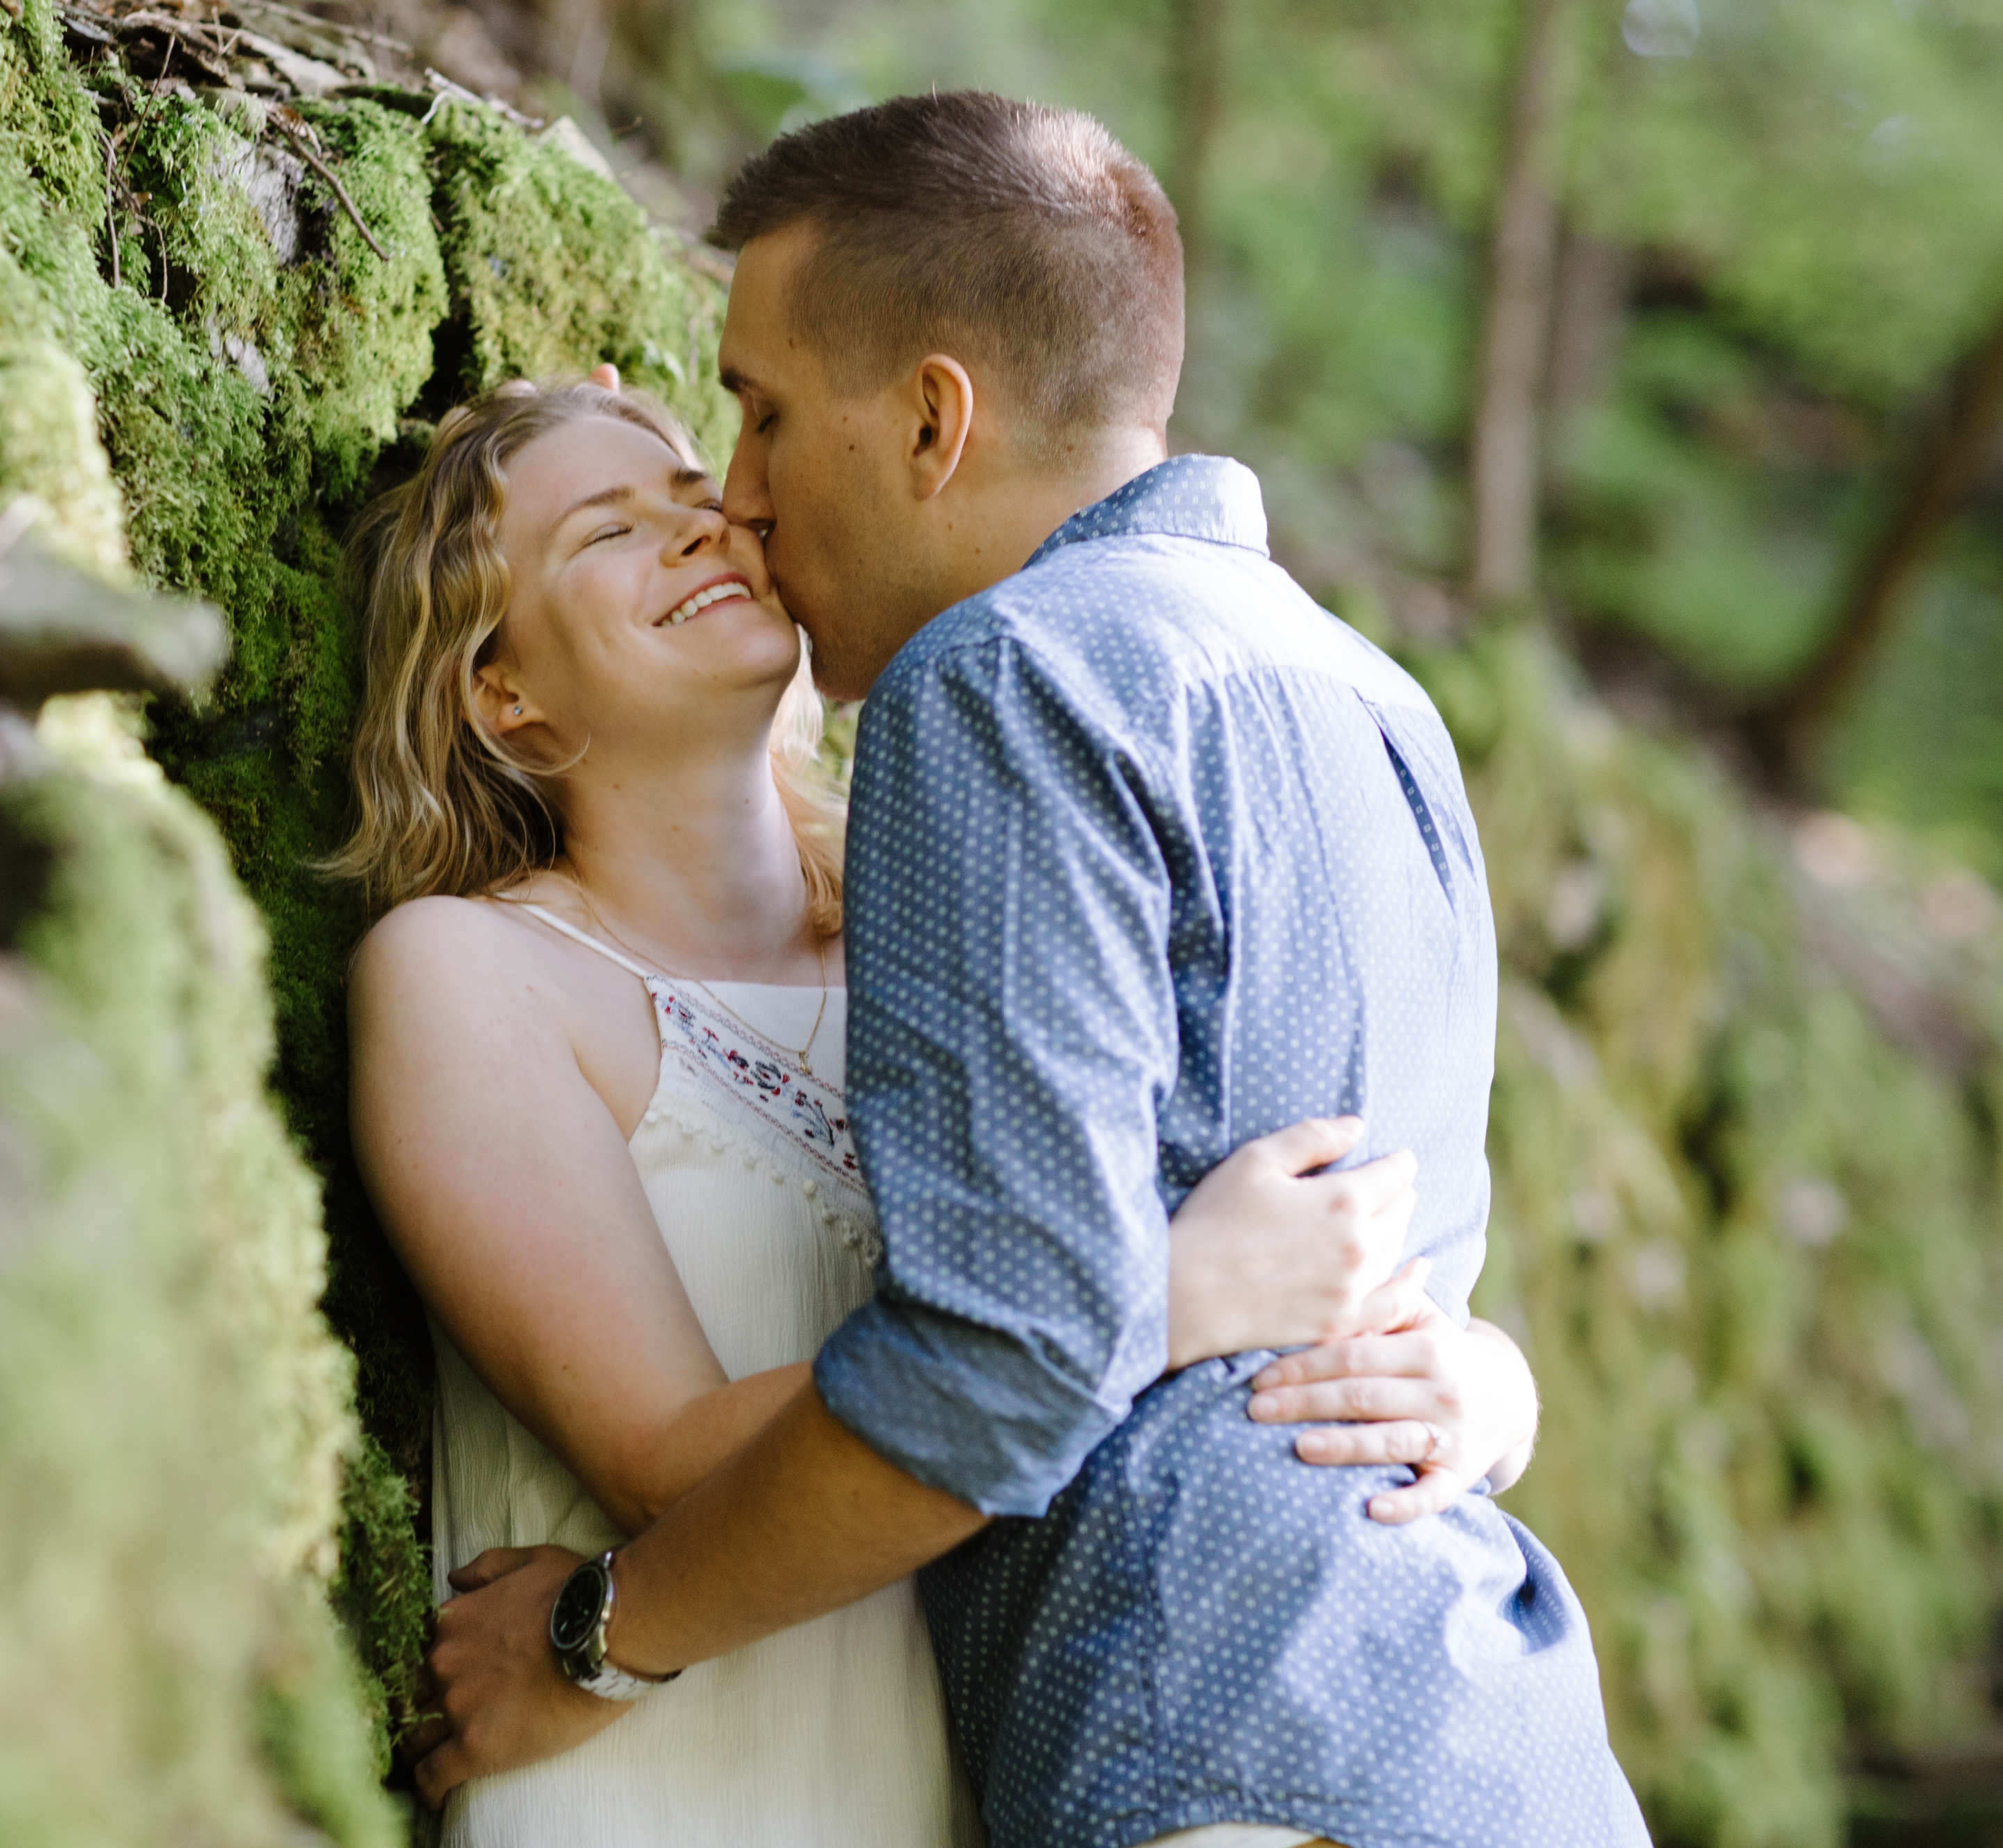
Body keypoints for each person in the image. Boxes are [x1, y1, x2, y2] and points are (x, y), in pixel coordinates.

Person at [409, 94, 1650, 1848]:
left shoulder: (998, 677)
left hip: (1219, 1741)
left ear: (931, 417)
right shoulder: (1372, 696)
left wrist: (591, 1641)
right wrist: (1479, 1373)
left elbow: (1003, 1355)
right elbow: (1401, 1253)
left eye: (759, 414)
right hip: (1484, 1740)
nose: (739, 497)